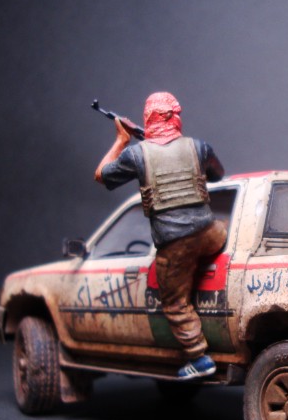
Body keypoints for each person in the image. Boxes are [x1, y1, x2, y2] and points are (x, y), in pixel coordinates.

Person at [95, 92, 226, 380]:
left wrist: (122, 141)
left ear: (148, 119)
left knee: (175, 303)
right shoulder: (199, 147)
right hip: (211, 235)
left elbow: (102, 175)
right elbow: (217, 174)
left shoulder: (136, 155)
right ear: (175, 117)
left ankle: (199, 358)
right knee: (222, 230)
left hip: (175, 245)